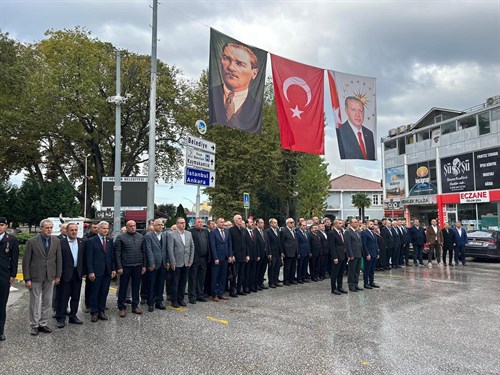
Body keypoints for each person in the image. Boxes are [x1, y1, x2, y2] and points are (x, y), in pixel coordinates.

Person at [209, 41, 262, 133]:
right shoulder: (208, 94)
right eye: (226, 59)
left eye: (239, 64)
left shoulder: (257, 108)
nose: (231, 67)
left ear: (254, 73)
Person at [22, 219, 62, 336]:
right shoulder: (32, 241)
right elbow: (26, 261)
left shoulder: (56, 241)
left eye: (51, 227)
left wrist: (58, 275)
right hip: (35, 276)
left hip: (50, 276)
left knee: (47, 301)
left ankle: (43, 323)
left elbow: (59, 259)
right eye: (47, 228)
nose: (49, 230)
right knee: (34, 301)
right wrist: (27, 278)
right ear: (41, 228)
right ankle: (34, 325)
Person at [55, 223, 85, 328]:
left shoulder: (82, 242)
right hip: (65, 274)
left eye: (76, 230)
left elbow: (84, 258)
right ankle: (61, 318)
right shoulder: (60, 243)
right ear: (67, 231)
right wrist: (57, 275)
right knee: (63, 297)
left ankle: (73, 316)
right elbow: (57, 260)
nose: (74, 232)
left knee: (76, 297)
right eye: (71, 230)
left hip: (77, 274)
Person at [115, 220, 146, 317]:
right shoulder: (121, 237)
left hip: (138, 265)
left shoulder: (141, 237)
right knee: (123, 287)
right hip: (125, 266)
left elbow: (144, 252)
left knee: (136, 287)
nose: (133, 227)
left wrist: (144, 265)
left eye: (134, 225)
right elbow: (117, 253)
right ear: (126, 227)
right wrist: (119, 267)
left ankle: (135, 306)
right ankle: (121, 307)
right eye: (130, 226)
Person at [86, 221, 115, 322]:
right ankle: (94, 312)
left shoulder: (110, 240)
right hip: (96, 272)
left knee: (104, 292)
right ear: (98, 229)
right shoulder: (91, 241)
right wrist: (90, 271)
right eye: (103, 228)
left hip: (107, 271)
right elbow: (89, 258)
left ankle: (101, 311)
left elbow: (112, 256)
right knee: (95, 292)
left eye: (107, 228)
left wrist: (113, 269)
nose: (105, 230)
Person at [336, 96, 376, 160]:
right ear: (346, 111)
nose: (358, 114)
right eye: (353, 109)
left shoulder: (369, 134)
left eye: (360, 110)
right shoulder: (340, 132)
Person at [167, 217, 194, 308]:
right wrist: (172, 262)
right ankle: (174, 300)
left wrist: (191, 260)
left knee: (183, 282)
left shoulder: (189, 234)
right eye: (181, 223)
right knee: (175, 282)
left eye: (184, 223)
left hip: (186, 262)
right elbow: (170, 249)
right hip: (176, 263)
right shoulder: (172, 234)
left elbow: (192, 247)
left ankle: (181, 299)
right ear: (177, 224)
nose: (183, 224)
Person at [0, 217, 19, 341]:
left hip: (3, 276)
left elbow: (14, 259)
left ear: (6, 226)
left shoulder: (11, 240)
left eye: (1, 225)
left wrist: (13, 275)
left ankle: (0, 331)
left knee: (1, 305)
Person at [144, 219, 168, 311]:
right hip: (153, 264)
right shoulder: (148, 236)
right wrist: (151, 262)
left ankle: (159, 301)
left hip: (163, 263)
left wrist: (167, 261)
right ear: (153, 225)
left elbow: (166, 249)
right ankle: (150, 303)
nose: (160, 226)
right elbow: (149, 250)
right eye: (158, 225)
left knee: (161, 284)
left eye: (162, 225)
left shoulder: (165, 235)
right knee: (151, 284)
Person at [209, 218, 233, 302]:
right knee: (215, 277)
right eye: (221, 222)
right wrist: (215, 258)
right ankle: (214, 294)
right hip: (217, 258)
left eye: (223, 222)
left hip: (225, 258)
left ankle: (221, 293)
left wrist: (230, 255)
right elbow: (212, 246)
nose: (223, 223)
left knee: (223, 276)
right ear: (217, 223)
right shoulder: (213, 232)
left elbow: (229, 244)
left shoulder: (227, 231)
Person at [189, 218, 210, 304]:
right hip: (194, 259)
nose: (201, 223)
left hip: (204, 259)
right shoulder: (191, 232)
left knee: (201, 278)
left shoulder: (205, 232)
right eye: (199, 222)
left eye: (202, 222)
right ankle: (192, 296)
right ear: (194, 223)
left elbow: (208, 244)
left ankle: (200, 294)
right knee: (193, 278)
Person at [229, 214, 248, 295]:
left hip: (243, 255)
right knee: (234, 274)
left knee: (241, 274)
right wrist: (231, 254)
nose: (241, 220)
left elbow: (246, 244)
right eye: (239, 218)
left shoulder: (244, 230)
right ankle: (232, 290)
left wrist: (247, 254)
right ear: (235, 220)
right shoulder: (231, 230)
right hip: (235, 256)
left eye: (241, 218)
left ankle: (239, 289)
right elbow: (230, 244)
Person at [328, 219, 347, 295]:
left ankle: (340, 287)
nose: (341, 225)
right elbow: (332, 246)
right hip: (337, 256)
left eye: (342, 223)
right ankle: (334, 288)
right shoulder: (331, 233)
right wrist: (334, 257)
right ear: (335, 224)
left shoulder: (341, 232)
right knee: (335, 273)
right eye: (339, 223)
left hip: (343, 255)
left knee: (341, 273)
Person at [344, 219, 363, 292]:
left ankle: (356, 284)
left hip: (359, 254)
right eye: (355, 222)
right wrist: (350, 255)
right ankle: (351, 285)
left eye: (357, 222)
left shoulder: (357, 231)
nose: (357, 223)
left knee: (357, 271)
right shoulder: (348, 232)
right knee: (352, 271)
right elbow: (348, 245)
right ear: (351, 223)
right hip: (353, 255)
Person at [361, 221, 380, 289]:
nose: (372, 225)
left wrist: (377, 253)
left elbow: (375, 244)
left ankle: (371, 282)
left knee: (372, 269)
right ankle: (366, 283)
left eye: (373, 224)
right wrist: (367, 254)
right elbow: (364, 244)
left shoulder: (373, 233)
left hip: (374, 253)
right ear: (366, 225)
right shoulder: (364, 233)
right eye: (371, 224)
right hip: (369, 254)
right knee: (367, 269)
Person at [280, 218, 298, 286]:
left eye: (293, 222)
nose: (293, 224)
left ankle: (291, 279)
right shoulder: (284, 231)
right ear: (287, 223)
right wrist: (282, 252)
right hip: (287, 251)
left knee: (293, 266)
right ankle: (286, 280)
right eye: (291, 222)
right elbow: (281, 242)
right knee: (287, 267)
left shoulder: (293, 230)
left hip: (294, 251)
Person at [253, 218, 269, 290]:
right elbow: (256, 245)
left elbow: (267, 243)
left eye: (263, 223)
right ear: (257, 223)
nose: (263, 224)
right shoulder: (254, 232)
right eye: (261, 223)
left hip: (265, 254)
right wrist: (257, 255)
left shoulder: (264, 232)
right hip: (259, 254)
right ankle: (256, 284)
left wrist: (269, 253)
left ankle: (261, 283)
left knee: (263, 269)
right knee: (257, 270)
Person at [266, 218, 282, 288]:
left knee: (277, 267)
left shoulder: (277, 231)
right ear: (271, 224)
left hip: (278, 252)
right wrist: (269, 253)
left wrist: (281, 251)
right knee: (272, 267)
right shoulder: (268, 231)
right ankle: (271, 282)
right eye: (275, 222)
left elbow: (279, 242)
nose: (276, 224)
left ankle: (276, 280)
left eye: (276, 222)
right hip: (272, 252)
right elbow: (268, 243)